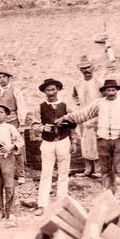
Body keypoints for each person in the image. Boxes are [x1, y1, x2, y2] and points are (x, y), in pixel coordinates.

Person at [56, 80, 120, 200]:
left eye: (113, 90)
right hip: (103, 140)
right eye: (108, 90)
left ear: (117, 91)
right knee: (105, 169)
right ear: (104, 92)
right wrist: (66, 117)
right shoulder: (98, 103)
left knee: (118, 168)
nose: (111, 93)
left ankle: (119, 194)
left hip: (119, 140)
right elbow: (83, 114)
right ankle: (107, 194)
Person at [32, 78, 78, 216]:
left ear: (58, 89)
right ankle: (42, 205)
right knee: (46, 174)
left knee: (63, 173)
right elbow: (34, 125)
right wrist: (42, 128)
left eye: (53, 89)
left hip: (64, 141)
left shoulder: (66, 106)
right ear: (44, 92)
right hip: (47, 143)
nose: (51, 93)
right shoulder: (39, 107)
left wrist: (74, 142)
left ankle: (61, 203)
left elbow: (73, 125)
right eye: (48, 90)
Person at [0, 68, 28, 184]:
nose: (1, 79)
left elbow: (22, 107)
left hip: (13, 121)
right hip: (0, 123)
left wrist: (21, 123)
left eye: (4, 77)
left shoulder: (15, 91)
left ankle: (21, 174)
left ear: (9, 78)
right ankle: (6, 173)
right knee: (0, 146)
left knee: (16, 148)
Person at [0, 104, 24, 218]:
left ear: (6, 114)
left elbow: (20, 141)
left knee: (9, 185)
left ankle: (10, 211)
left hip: (7, 157)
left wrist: (10, 147)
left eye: (1, 112)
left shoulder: (10, 127)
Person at [71, 55, 104, 178]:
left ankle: (99, 170)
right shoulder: (78, 84)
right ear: (80, 70)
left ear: (93, 67)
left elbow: (107, 97)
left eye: (88, 67)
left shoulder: (100, 82)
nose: (86, 70)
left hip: (98, 117)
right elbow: (74, 96)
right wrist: (79, 105)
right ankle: (88, 170)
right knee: (85, 144)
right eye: (83, 68)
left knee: (97, 144)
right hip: (84, 117)